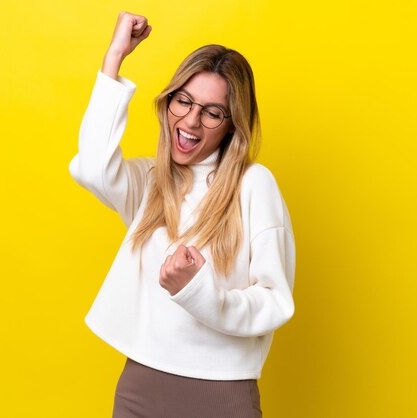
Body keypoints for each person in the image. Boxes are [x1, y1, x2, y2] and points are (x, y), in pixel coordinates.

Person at [69, 11, 296, 418]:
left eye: (211, 112)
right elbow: (92, 167)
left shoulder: (254, 185)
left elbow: (275, 302)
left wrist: (197, 291)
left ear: (232, 125)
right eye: (183, 101)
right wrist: (115, 57)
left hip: (221, 395)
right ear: (168, 102)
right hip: (140, 387)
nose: (190, 120)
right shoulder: (152, 182)